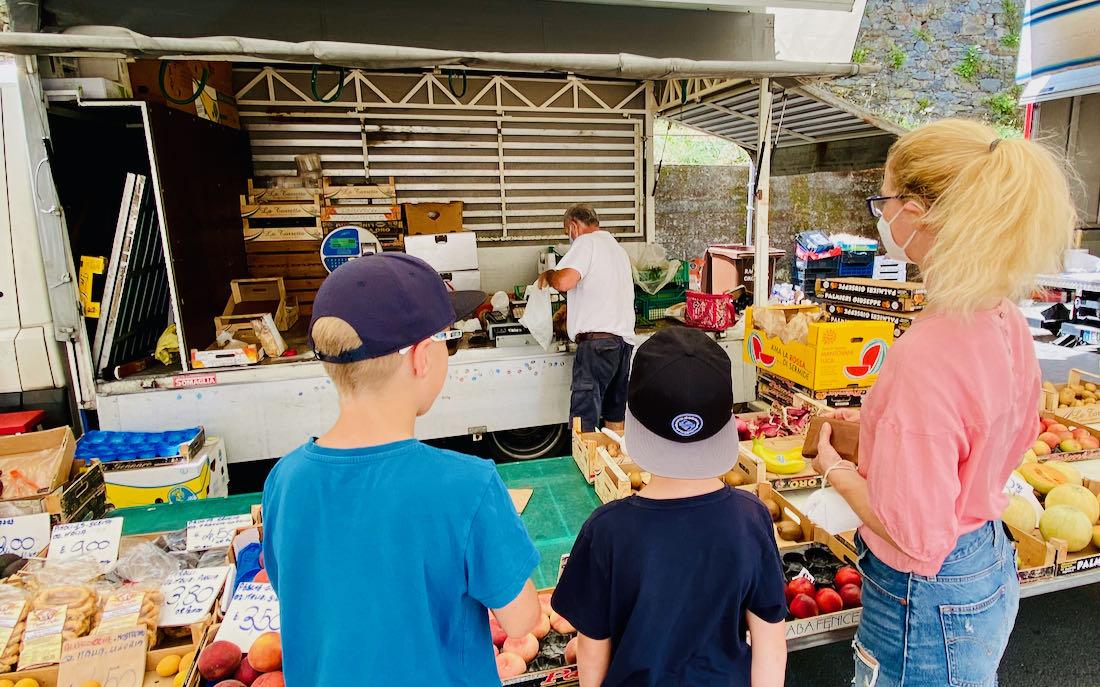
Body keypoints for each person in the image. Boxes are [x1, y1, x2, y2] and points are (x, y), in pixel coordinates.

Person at [812, 119, 1076, 687]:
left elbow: (915, 533)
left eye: (882, 201)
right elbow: (1014, 427)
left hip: (924, 594)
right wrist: (885, 426)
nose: (881, 218)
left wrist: (831, 464)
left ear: (915, 210)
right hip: (986, 557)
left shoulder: (925, 352)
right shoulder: (1000, 315)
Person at [262, 253, 542, 686]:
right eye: (448, 338)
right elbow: (523, 620)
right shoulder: (469, 487)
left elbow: (296, 591)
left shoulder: (285, 480)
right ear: (420, 358)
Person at [551, 327, 788, 687]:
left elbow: (592, 651)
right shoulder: (751, 518)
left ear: (634, 420)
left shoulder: (606, 531)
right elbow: (770, 643)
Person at [538, 204, 636, 434]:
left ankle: (586, 467)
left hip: (597, 347)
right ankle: (615, 463)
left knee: (584, 419)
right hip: (623, 345)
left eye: (567, 232)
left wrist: (549, 274)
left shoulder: (586, 242)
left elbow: (564, 282)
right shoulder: (616, 249)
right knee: (615, 414)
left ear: (574, 226)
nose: (569, 237)